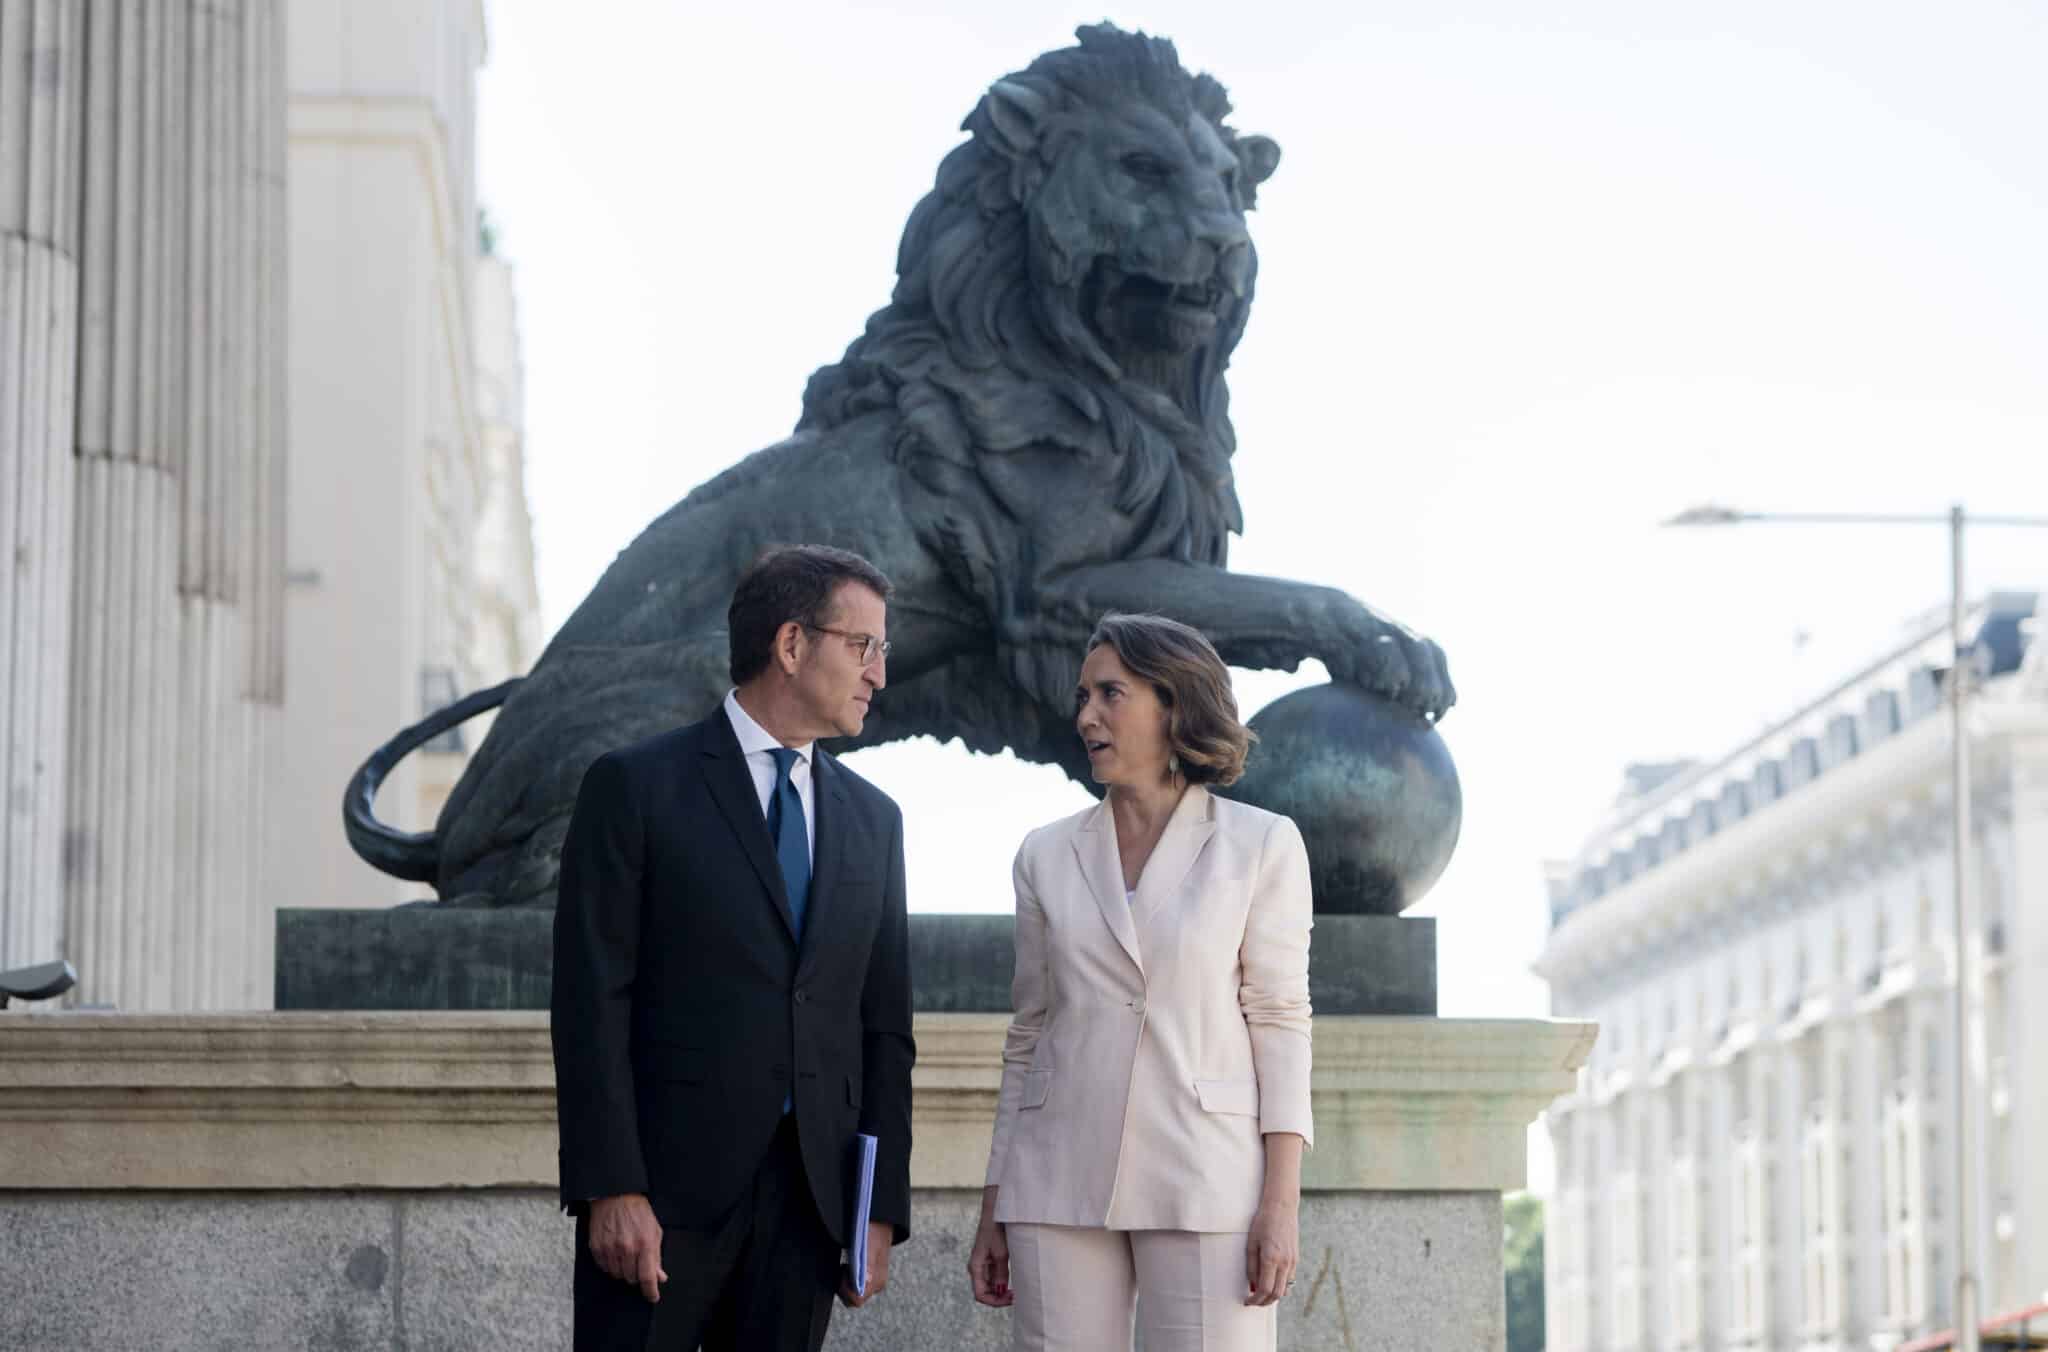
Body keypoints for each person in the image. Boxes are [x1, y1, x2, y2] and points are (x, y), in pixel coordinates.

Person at [551, 544, 915, 1352]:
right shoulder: (635, 787)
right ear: (791, 645)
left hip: (811, 1209)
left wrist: (879, 1206)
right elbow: (590, 1003)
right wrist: (612, 1186)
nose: (879, 675)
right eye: (864, 647)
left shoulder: (875, 821)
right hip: (660, 1205)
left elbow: (884, 1027)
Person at [966, 612, 1314, 1351]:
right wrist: (994, 1203)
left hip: (1206, 1177)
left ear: (1174, 704)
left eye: (1110, 694)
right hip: (1056, 1178)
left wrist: (1279, 1206)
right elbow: (1029, 1033)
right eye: (1083, 696)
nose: (1086, 714)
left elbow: (1280, 1022)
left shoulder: (1261, 845)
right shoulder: (1044, 855)